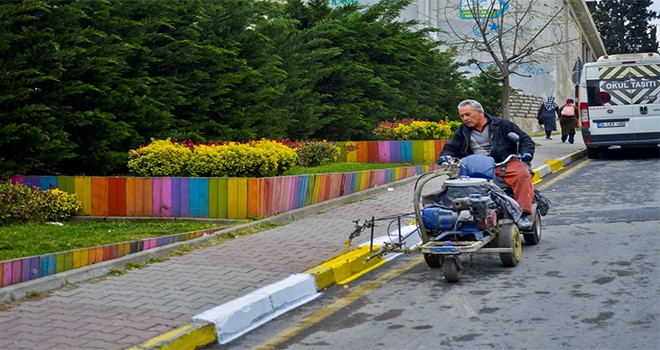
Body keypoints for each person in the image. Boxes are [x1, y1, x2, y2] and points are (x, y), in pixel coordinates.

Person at [437, 99, 535, 230]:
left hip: (502, 163)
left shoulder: (503, 125)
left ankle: (522, 214)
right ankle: (457, 212)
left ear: (480, 112)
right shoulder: (462, 131)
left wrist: (526, 153)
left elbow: (525, 140)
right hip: (474, 166)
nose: (465, 118)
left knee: (522, 174)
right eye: (462, 116)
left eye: (468, 114)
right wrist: (445, 157)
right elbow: (450, 147)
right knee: (454, 183)